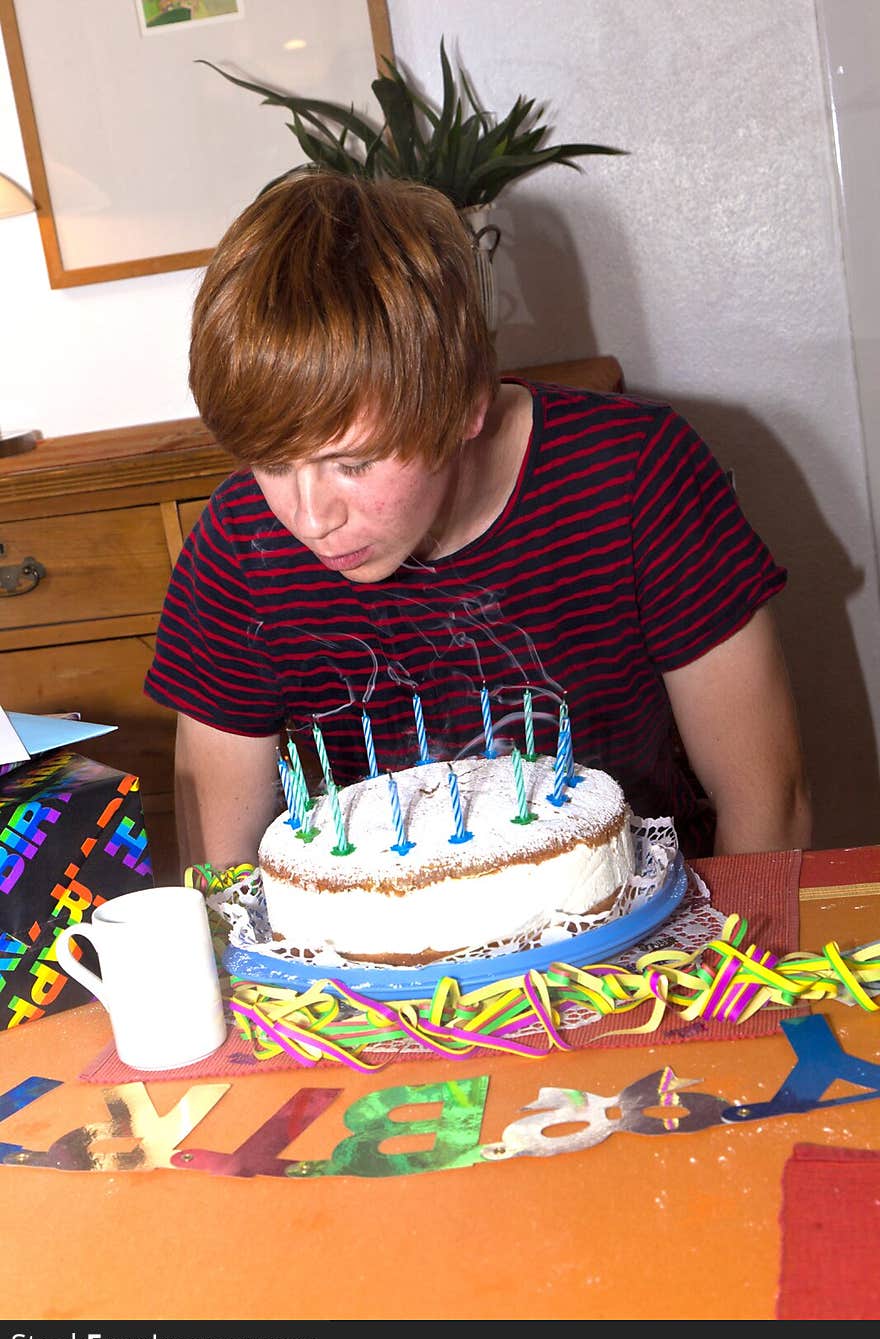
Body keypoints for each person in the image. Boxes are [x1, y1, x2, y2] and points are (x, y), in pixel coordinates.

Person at [144, 169, 812, 875]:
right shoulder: (239, 547)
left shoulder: (635, 474)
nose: (309, 517)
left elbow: (768, 799)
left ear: (467, 404)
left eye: (357, 462)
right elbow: (222, 876)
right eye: (272, 462)